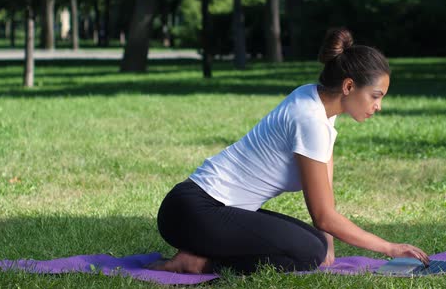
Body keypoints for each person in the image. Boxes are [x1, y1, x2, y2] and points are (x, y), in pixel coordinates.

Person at [146, 27, 430, 275]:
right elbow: (323, 216)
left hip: (202, 208)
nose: (378, 106)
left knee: (315, 245)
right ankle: (198, 264)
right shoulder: (310, 119)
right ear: (348, 86)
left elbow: (324, 194)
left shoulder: (315, 100)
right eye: (375, 96)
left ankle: (200, 255)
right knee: (308, 253)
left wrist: (327, 241)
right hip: (193, 212)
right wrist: (390, 248)